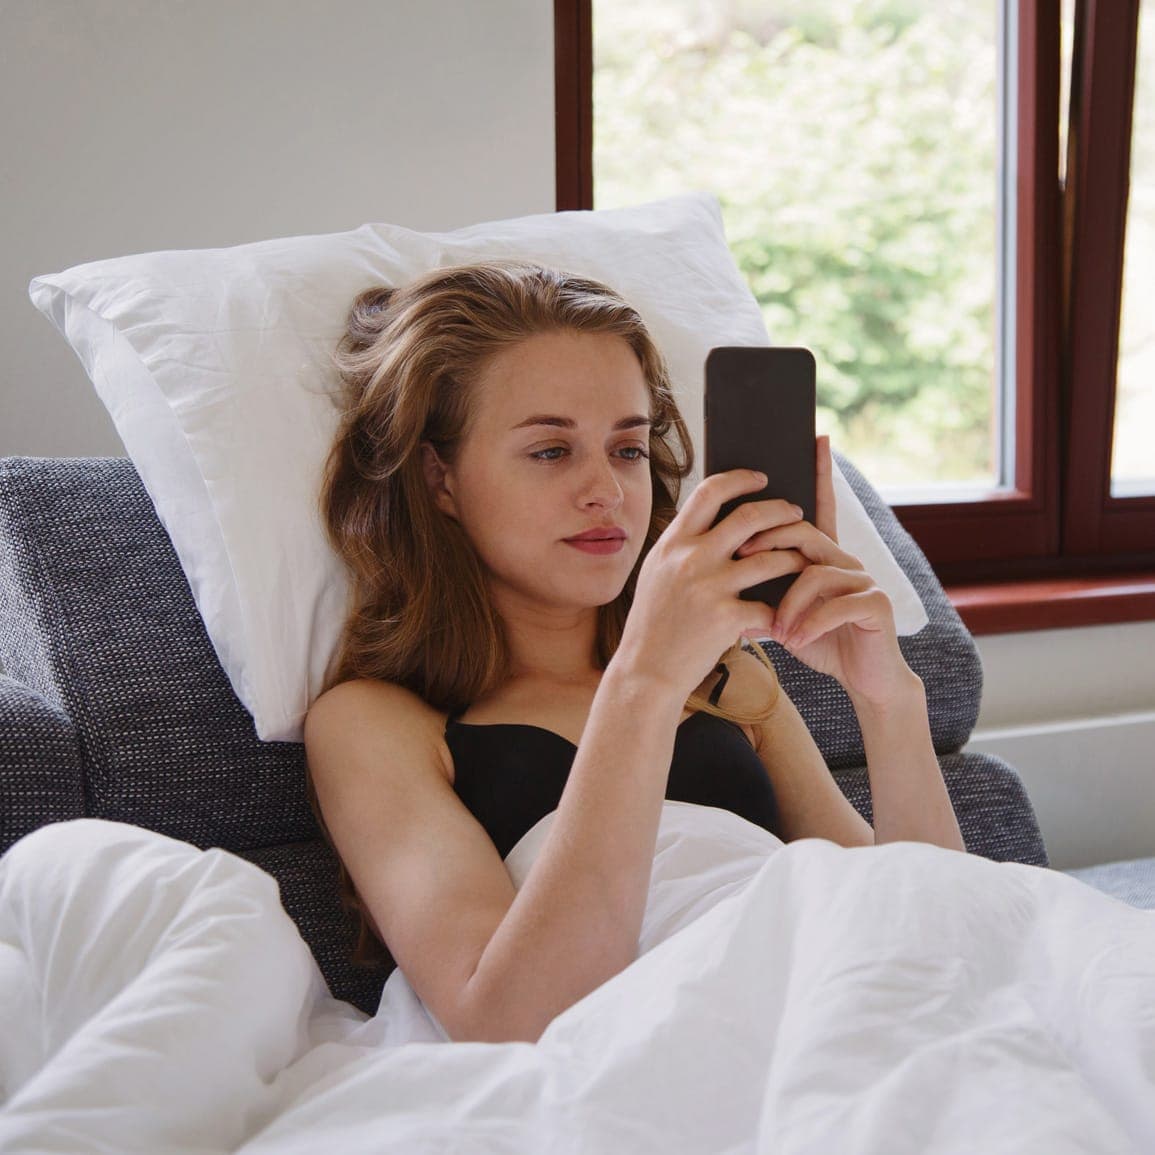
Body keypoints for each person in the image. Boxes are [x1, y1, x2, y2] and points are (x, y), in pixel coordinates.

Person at [303, 260, 966, 1045]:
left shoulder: (727, 675)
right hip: (657, 1047)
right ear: (439, 479)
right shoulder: (372, 723)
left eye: (626, 448)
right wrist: (645, 680)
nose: (607, 491)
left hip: (827, 1006)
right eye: (551, 451)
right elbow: (505, 1017)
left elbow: (933, 937)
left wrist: (888, 700)